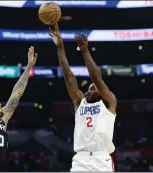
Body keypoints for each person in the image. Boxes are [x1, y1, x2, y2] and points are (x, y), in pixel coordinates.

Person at [49, 24, 116, 172]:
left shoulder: (109, 102)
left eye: (92, 88)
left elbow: (96, 77)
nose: (88, 90)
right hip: (81, 159)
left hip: (101, 158)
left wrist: (85, 51)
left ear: (101, 91)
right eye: (88, 88)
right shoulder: (80, 102)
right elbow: (69, 77)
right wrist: (60, 47)